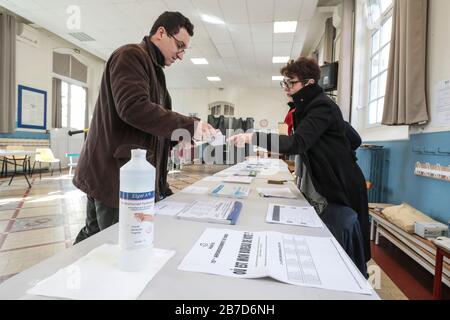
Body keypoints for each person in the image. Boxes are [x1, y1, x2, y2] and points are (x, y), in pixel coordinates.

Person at [73, 11, 216, 244]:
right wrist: (190, 126)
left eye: (184, 50)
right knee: (114, 245)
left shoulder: (154, 70)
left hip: (126, 176)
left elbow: (150, 126)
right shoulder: (130, 55)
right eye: (179, 45)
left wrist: (178, 137)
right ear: (161, 33)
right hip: (114, 176)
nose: (181, 55)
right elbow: (132, 108)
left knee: (96, 239)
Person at [228, 57, 370, 275]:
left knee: (345, 247)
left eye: (291, 83)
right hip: (338, 177)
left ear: (309, 83)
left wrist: (252, 136)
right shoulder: (314, 107)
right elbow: (354, 139)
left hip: (342, 183)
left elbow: (297, 143)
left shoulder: (321, 106)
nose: (286, 88)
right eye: (285, 82)